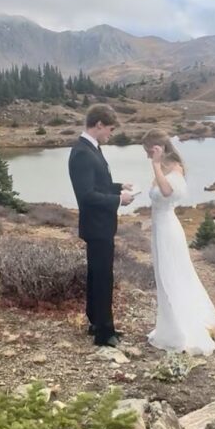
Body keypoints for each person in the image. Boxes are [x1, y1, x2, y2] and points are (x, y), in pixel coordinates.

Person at [142, 129, 215, 355]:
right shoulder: (163, 166)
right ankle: (167, 325)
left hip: (168, 228)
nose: (147, 156)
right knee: (164, 274)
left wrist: (156, 165)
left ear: (158, 148)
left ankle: (179, 329)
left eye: (149, 151)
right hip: (159, 227)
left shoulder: (173, 166)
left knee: (171, 275)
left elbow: (166, 192)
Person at [68, 105, 135, 348]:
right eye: (109, 129)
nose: (110, 134)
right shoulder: (83, 153)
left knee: (97, 275)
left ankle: (96, 321)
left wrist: (118, 187)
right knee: (103, 277)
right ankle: (105, 334)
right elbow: (86, 196)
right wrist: (119, 200)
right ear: (98, 125)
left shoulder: (90, 148)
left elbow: (97, 184)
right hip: (97, 227)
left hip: (99, 226)